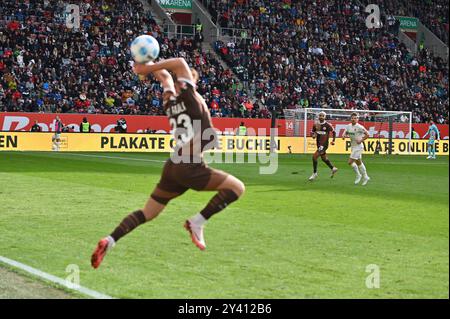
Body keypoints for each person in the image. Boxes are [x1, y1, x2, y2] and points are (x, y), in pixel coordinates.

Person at [91, 58, 245, 269]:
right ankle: (197, 221)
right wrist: (147, 67)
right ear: (186, 83)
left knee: (148, 213)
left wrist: (147, 61)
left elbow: (164, 77)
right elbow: (178, 63)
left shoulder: (170, 101)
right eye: (192, 79)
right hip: (189, 165)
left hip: (173, 166)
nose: (194, 82)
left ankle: (110, 240)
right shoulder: (190, 96)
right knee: (237, 187)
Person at [342, 113, 370, 185]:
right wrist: (344, 135)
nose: (353, 119)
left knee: (350, 162)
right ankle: (366, 177)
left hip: (358, 147)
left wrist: (361, 140)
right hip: (353, 146)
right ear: (350, 118)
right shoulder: (348, 126)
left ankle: (358, 175)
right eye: (352, 118)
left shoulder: (360, 127)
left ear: (357, 119)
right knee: (359, 162)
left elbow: (368, 134)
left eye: (355, 118)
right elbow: (346, 132)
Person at [308, 111, 338, 181]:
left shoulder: (328, 125)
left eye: (322, 116)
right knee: (324, 158)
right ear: (318, 116)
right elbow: (313, 134)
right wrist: (313, 135)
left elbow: (334, 132)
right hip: (318, 144)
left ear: (325, 117)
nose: (321, 117)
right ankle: (333, 168)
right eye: (320, 115)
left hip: (324, 144)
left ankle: (315, 173)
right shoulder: (315, 125)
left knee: (314, 156)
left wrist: (333, 140)